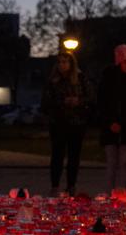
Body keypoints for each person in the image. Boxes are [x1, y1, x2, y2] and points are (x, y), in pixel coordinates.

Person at [40, 49, 94, 196]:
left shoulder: (80, 79)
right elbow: (45, 102)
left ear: (71, 63)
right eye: (59, 62)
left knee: (74, 156)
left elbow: (90, 97)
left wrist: (79, 101)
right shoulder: (53, 81)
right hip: (58, 122)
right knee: (57, 155)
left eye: (65, 62)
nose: (62, 65)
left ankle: (71, 185)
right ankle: (55, 185)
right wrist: (62, 102)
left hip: (76, 123)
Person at [96, 44, 126, 195]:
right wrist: (111, 122)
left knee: (123, 161)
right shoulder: (108, 78)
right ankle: (109, 192)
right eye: (125, 62)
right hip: (110, 126)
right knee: (111, 161)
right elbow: (103, 103)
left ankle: (121, 192)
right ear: (119, 62)